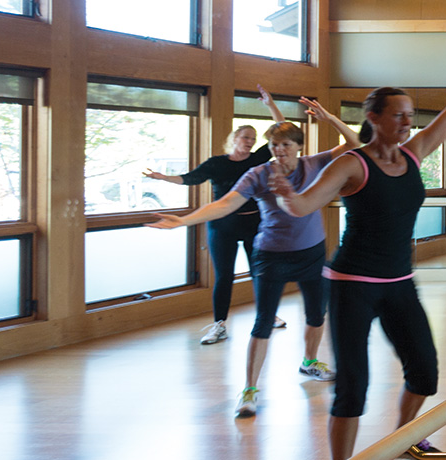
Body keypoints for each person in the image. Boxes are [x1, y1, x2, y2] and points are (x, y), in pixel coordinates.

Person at [268, 16, 446, 459]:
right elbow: (305, 205)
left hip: (398, 282)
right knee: (353, 388)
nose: (407, 122)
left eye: (410, 116)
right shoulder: (352, 163)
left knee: (425, 372)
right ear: (374, 118)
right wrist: (286, 195)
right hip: (351, 286)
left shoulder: (414, 151)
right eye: (398, 115)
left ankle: (402, 442)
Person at [147, 97, 361, 417]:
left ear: (298, 146)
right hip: (271, 256)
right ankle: (249, 390)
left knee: (317, 315)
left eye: (286, 145)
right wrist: (185, 220)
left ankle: (309, 362)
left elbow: (355, 144)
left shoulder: (314, 164)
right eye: (274, 145)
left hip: (312, 253)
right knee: (262, 323)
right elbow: (225, 203)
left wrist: (330, 117)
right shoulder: (258, 174)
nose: (279, 151)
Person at [145, 85, 282, 345]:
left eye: (253, 138)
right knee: (224, 276)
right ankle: (219, 324)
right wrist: (163, 178)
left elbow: (282, 129)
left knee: (260, 272)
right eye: (245, 138)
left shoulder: (258, 160)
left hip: (254, 223)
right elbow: (190, 178)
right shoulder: (216, 163)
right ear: (234, 140)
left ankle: (267, 316)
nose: (250, 142)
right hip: (223, 226)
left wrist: (270, 105)